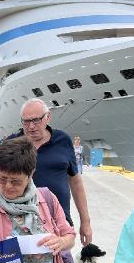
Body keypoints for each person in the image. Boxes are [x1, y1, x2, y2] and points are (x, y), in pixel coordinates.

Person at [9, 99, 93, 245]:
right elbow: (1, 183)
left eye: (36, 120)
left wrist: (85, 222)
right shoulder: (12, 144)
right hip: (21, 226)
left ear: (48, 117)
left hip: (59, 224)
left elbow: (75, 182)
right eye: (26, 122)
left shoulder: (63, 140)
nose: (31, 127)